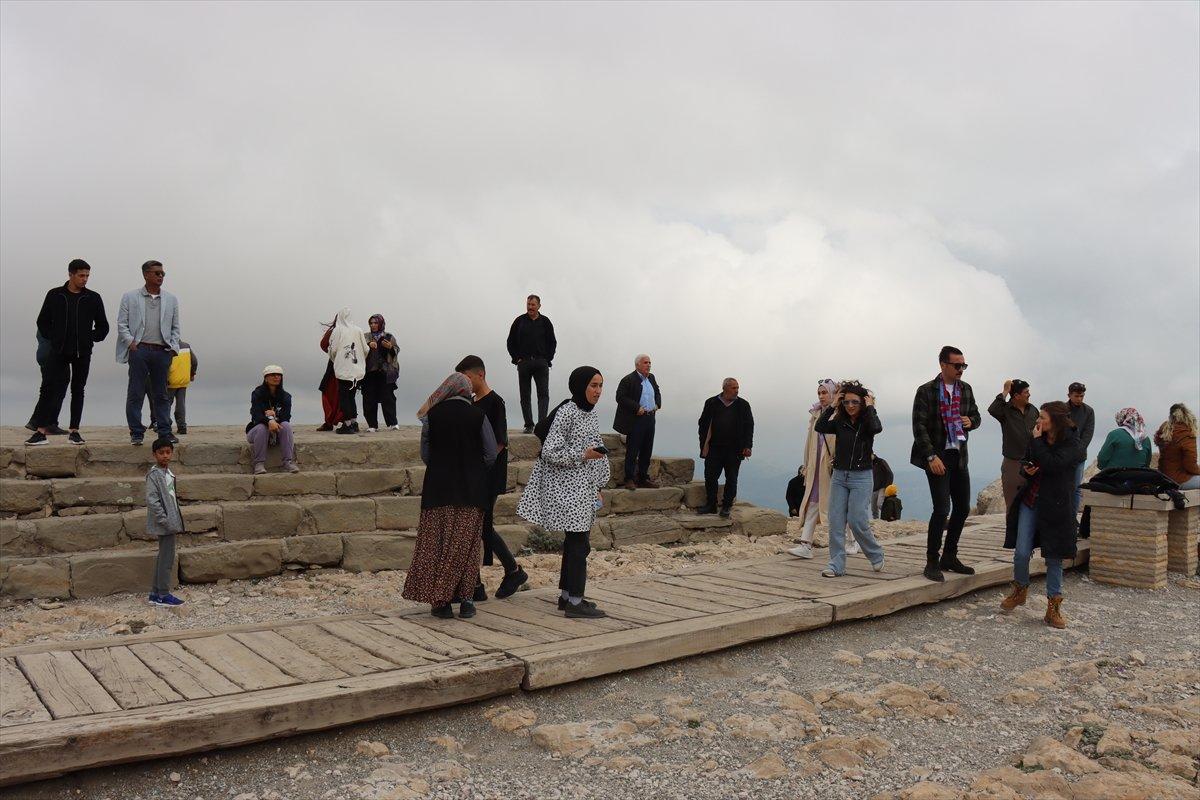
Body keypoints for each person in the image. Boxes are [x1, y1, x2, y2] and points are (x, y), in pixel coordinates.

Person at [517, 367, 610, 618]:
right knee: (579, 545)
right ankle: (575, 603)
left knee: (576, 543)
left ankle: (568, 596)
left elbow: (595, 448)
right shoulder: (568, 411)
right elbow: (550, 451)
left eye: (600, 385)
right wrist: (583, 455)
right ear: (580, 386)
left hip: (584, 486)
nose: (598, 391)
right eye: (593, 385)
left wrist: (598, 485)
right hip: (568, 488)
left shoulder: (589, 413)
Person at [404, 374, 498, 619]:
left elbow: (426, 454)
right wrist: (473, 468)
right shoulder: (479, 415)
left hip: (438, 491)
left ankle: (440, 603)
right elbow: (490, 455)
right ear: (466, 391)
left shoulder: (431, 417)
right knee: (466, 547)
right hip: (472, 492)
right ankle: (467, 601)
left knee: (436, 547)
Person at [1000, 401, 1085, 628]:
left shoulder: (1073, 444)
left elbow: (1053, 464)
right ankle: (1019, 589)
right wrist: (1026, 470)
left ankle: (1053, 608)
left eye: (1043, 418)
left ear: (1055, 421)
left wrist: (1037, 443)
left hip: (1056, 506)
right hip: (1031, 501)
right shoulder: (1036, 438)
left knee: (1054, 557)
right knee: (1021, 552)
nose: (1038, 422)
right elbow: (1028, 462)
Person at [455, 355, 529, 600]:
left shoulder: (495, 402)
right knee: (474, 527)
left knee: (481, 527)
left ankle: (512, 571)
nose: (463, 382)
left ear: (479, 375)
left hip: (489, 475)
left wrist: (479, 465)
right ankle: (478, 585)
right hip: (474, 474)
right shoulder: (470, 403)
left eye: (466, 377)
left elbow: (499, 442)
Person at [911, 345, 982, 582]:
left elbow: (977, 416)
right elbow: (918, 427)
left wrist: (971, 421)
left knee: (962, 508)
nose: (961, 369)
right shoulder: (926, 391)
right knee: (942, 509)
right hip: (937, 456)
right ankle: (932, 561)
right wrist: (931, 456)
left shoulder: (966, 389)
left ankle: (949, 556)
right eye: (957, 365)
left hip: (959, 456)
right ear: (943, 365)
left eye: (964, 365)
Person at [25, 259, 109, 446]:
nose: (85, 279)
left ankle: (74, 431)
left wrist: (91, 337)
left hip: (82, 352)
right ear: (70, 274)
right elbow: (42, 321)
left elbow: (103, 326)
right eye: (81, 275)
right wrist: (54, 338)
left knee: (78, 389)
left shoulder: (93, 298)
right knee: (49, 388)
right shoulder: (55, 295)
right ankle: (40, 432)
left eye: (87, 275)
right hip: (59, 350)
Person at [812, 382, 887, 577]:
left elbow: (877, 427)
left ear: (862, 403)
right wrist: (832, 406)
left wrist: (871, 407)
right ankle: (836, 564)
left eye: (855, 402)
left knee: (856, 520)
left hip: (862, 477)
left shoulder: (867, 422)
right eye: (846, 402)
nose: (851, 406)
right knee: (836, 521)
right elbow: (820, 426)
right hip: (839, 475)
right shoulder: (839, 421)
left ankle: (876, 554)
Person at [116, 260, 181, 446]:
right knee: (136, 392)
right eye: (157, 273)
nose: (161, 276)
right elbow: (122, 323)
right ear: (146, 274)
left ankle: (165, 432)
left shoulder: (171, 299)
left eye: (162, 274)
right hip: (140, 350)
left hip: (162, 351)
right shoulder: (130, 297)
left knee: (161, 394)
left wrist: (173, 348)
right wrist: (131, 344)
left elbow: (176, 327)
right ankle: (137, 432)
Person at [789, 380, 838, 559]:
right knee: (813, 501)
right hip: (817, 467)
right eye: (819, 393)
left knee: (841, 504)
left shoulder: (839, 414)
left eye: (824, 392)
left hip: (832, 467)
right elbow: (810, 442)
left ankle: (851, 540)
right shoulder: (816, 414)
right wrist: (807, 465)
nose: (821, 396)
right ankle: (806, 543)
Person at [697, 378, 754, 519]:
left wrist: (747, 446)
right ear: (725, 388)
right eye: (734, 388)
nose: (737, 391)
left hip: (734, 449)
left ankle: (727, 506)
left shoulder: (743, 405)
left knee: (731, 478)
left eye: (737, 388)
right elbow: (702, 424)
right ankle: (711, 504)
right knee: (710, 477)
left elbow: (749, 426)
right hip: (714, 448)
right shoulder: (711, 402)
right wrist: (703, 443)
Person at [506, 295, 557, 433]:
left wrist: (547, 359)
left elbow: (552, 342)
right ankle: (529, 425)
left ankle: (542, 425)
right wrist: (517, 359)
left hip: (541, 362)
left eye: (533, 304)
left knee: (543, 394)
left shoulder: (545, 322)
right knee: (525, 395)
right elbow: (510, 342)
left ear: (539, 306)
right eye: (528, 304)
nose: (530, 307)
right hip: (524, 363)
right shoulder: (519, 321)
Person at [145, 437, 185, 607]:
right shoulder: (154, 475)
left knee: (163, 557)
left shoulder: (167, 473)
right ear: (154, 455)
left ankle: (155, 593)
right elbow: (152, 500)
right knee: (166, 559)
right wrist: (165, 520)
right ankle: (163, 594)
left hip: (170, 521)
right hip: (166, 523)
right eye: (161, 453)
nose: (165, 456)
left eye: (168, 452)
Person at [988, 379, 1039, 512]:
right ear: (1016, 395)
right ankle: (1012, 533)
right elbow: (992, 409)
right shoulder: (1005, 410)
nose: (1029, 394)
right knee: (1012, 506)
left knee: (1032, 505)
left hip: (1032, 462)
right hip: (1013, 463)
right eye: (1026, 392)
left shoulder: (1033, 409)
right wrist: (1005, 392)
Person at [613, 354, 662, 489]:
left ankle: (642, 477)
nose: (649, 365)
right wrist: (636, 408)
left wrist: (658, 404)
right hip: (636, 419)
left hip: (650, 418)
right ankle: (629, 478)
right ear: (637, 365)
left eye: (650, 362)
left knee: (647, 449)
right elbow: (620, 397)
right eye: (646, 362)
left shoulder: (651, 378)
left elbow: (657, 392)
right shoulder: (628, 379)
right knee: (633, 449)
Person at [246, 366, 299, 475]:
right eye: (272, 375)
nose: (276, 377)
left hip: (277, 432)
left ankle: (288, 462)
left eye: (279, 375)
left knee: (286, 425)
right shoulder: (257, 394)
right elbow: (256, 415)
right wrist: (268, 421)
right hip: (257, 432)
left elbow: (286, 417)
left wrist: (275, 417)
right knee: (262, 428)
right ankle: (259, 464)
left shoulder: (286, 396)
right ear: (266, 378)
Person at [327, 308, 368, 435]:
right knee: (352, 396)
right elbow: (366, 349)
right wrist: (360, 361)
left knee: (344, 397)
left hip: (344, 369)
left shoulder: (337, 330)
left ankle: (347, 424)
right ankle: (354, 423)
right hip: (357, 370)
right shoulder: (359, 330)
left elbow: (333, 349)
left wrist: (336, 360)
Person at [362, 314, 400, 432]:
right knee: (369, 397)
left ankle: (392, 423)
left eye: (375, 323)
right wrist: (368, 346)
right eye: (371, 323)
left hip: (385, 372)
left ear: (381, 323)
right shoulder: (365, 337)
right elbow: (359, 349)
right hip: (369, 372)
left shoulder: (388, 336)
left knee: (388, 397)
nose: (373, 325)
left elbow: (396, 350)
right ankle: (372, 425)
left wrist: (390, 347)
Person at [26, 332, 64, 435]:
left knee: (51, 388)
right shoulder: (53, 317)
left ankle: (38, 421)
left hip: (45, 353)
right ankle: (47, 423)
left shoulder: (45, 318)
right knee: (56, 388)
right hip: (52, 354)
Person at [1154, 404, 1200, 489]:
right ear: (1188, 417)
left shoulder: (1165, 431)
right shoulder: (1186, 434)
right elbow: (1190, 465)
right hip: (1179, 479)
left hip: (1163, 477)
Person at [1066, 382, 1095, 514]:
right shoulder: (1062, 409)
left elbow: (1088, 435)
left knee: (1077, 488)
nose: (1079, 399)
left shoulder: (1088, 411)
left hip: (1079, 456)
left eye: (1082, 396)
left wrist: (1077, 452)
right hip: (1063, 455)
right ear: (1069, 395)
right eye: (1077, 396)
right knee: (1063, 486)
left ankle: (1072, 517)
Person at [165, 341, 198, 434]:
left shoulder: (166, 347)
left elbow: (164, 364)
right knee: (181, 404)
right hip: (183, 379)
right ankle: (182, 426)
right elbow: (194, 361)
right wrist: (192, 373)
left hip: (170, 381)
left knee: (166, 404)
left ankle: (166, 425)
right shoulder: (186, 346)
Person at [871, 454, 894, 520]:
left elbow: (890, 473)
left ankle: (890, 516)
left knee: (880, 504)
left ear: (873, 454)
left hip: (883, 487)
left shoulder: (881, 462)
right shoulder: (869, 464)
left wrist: (887, 486)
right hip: (873, 488)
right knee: (873, 508)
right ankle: (876, 520)